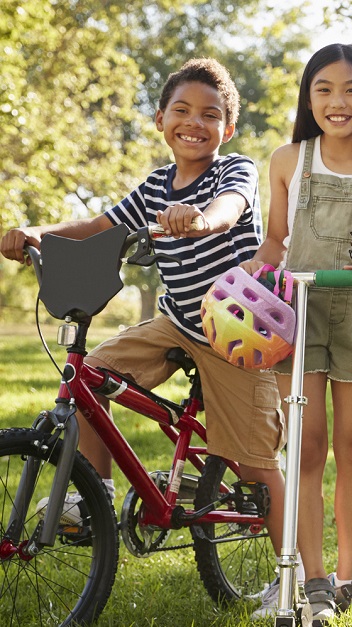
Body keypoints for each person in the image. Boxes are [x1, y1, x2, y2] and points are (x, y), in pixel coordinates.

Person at [0, 57, 288, 596]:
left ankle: (290, 573)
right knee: (92, 375)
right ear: (160, 120)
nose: (193, 122)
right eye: (181, 110)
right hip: (177, 323)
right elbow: (99, 226)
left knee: (254, 463)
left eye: (209, 114)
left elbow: (231, 208)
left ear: (227, 129)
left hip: (234, 333)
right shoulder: (156, 185)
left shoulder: (234, 171)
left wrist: (200, 219)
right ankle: (99, 492)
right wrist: (36, 232)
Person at [240, 43, 352, 619]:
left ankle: (350, 576)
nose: (338, 102)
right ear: (308, 97)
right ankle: (313, 579)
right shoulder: (289, 159)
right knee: (307, 448)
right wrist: (251, 274)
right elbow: (274, 241)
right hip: (300, 313)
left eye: (351, 89)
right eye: (324, 89)